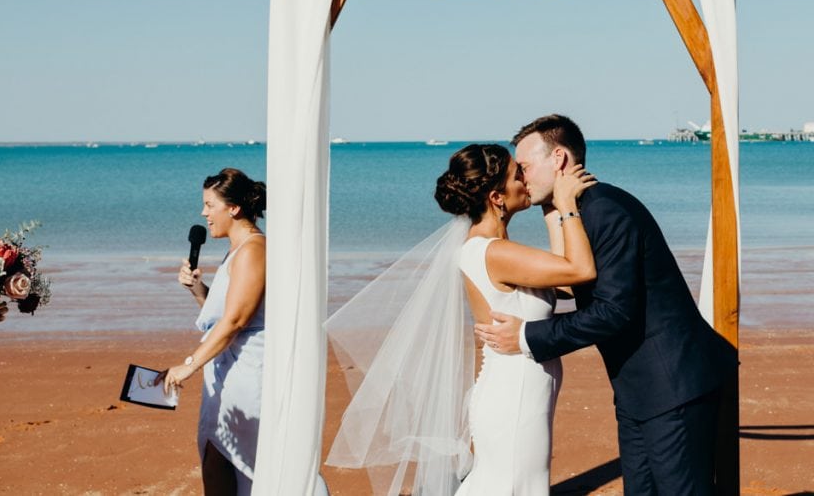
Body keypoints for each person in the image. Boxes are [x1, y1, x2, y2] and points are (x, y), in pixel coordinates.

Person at [476, 115, 737, 495]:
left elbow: (613, 311)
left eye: (526, 167)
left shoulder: (606, 211)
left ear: (559, 159)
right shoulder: (581, 211)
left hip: (673, 383)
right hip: (637, 389)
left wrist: (528, 336)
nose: (521, 177)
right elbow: (572, 279)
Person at [325, 143, 596, 495]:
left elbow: (563, 281)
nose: (526, 180)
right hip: (514, 397)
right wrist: (567, 206)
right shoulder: (494, 252)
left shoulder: (493, 248)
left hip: (517, 391)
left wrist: (550, 209)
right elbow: (581, 269)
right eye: (518, 174)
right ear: (497, 197)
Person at [161, 168, 267, 496]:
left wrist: (189, 364)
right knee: (215, 459)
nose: (203, 213)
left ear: (233, 208)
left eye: (209, 205)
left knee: (245, 466)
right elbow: (226, 315)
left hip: (247, 376)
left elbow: (235, 321)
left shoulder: (254, 250)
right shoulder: (235, 251)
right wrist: (198, 290)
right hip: (223, 373)